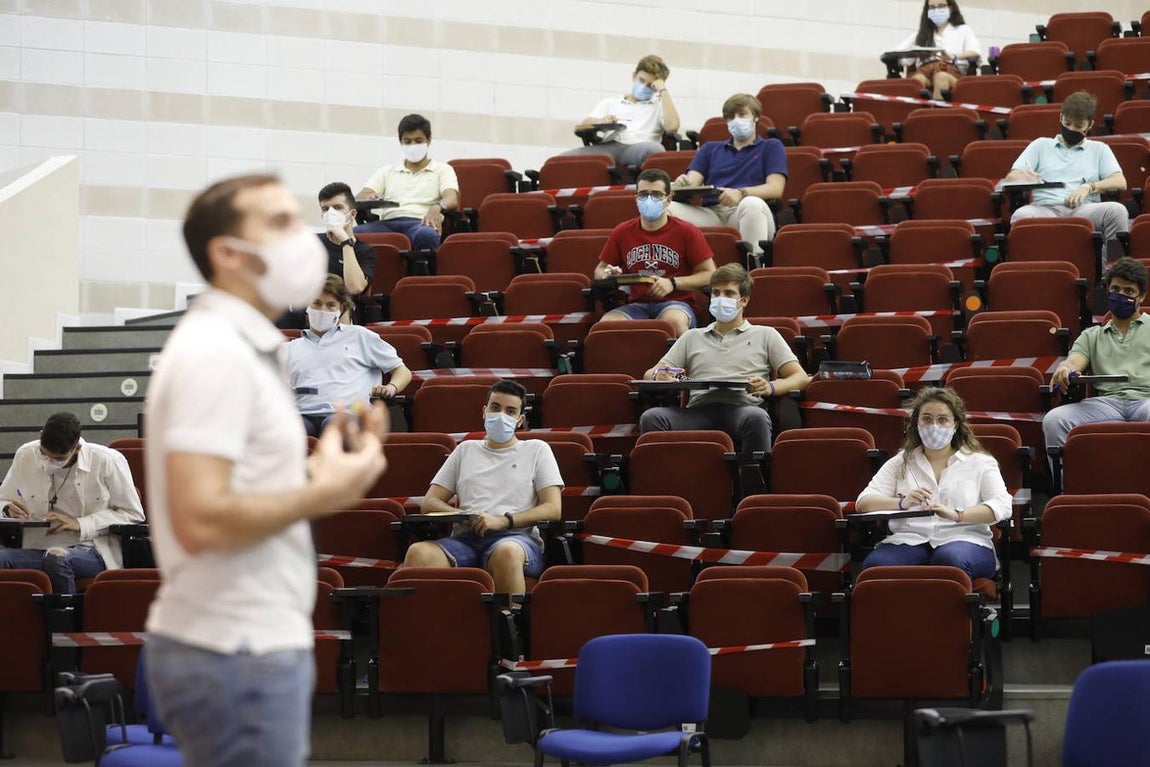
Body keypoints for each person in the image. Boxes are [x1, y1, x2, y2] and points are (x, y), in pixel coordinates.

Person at [144, 173, 388, 767]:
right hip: (234, 646)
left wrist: (324, 465)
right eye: (278, 224)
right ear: (228, 254)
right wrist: (323, 491)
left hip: (252, 639)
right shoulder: (215, 353)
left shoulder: (248, 347)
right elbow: (201, 519)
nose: (305, 236)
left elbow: (243, 489)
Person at [400, 380, 562, 594]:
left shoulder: (537, 450)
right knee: (418, 553)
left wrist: (503, 521)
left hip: (517, 539)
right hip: (465, 538)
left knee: (506, 553)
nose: (501, 415)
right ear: (484, 412)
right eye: (495, 408)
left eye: (510, 411)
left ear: (520, 420)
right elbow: (430, 502)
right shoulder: (465, 450)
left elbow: (553, 508)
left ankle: (512, 624)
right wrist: (464, 514)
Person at [639, 264, 810, 460]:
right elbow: (649, 374)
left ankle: (753, 481)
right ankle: (664, 479)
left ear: (744, 300)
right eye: (716, 293)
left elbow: (800, 377)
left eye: (729, 293)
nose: (721, 299)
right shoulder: (691, 337)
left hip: (742, 409)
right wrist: (658, 375)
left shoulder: (766, 334)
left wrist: (770, 386)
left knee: (756, 418)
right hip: (698, 410)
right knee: (652, 418)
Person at [855, 387, 1012, 580]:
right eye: (927, 419)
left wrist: (957, 515)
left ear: (955, 425)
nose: (934, 426)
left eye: (943, 419)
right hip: (910, 539)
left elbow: (1003, 505)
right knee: (875, 565)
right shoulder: (900, 461)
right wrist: (902, 503)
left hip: (966, 539)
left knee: (948, 559)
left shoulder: (980, 462)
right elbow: (864, 501)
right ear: (917, 423)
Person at [0, 412, 144, 594]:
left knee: (57, 558)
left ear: (77, 448)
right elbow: (3, 499)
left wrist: (80, 524)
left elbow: (133, 513)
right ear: (40, 434)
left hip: (91, 549)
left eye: (59, 459)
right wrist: (7, 509)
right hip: (37, 546)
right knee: (2, 558)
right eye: (45, 455)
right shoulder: (27, 454)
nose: (50, 462)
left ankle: (66, 621)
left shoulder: (107, 460)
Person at [593, 168, 716, 337]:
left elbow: (710, 274)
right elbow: (599, 270)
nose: (649, 199)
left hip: (677, 303)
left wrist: (672, 283)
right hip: (637, 304)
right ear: (636, 198)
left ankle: (680, 364)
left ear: (668, 199)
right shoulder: (622, 231)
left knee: (672, 322)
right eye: (643, 194)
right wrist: (607, 274)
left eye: (656, 194)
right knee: (608, 326)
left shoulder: (687, 231)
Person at [1044, 257, 1150, 449]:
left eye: (1129, 291)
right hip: (1106, 404)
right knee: (1054, 420)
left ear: (1141, 296)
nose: (1120, 295)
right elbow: (1073, 362)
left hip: (1146, 401)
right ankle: (1067, 479)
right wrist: (1065, 369)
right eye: (1115, 289)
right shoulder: (1091, 335)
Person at [288, 274, 412, 437]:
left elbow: (402, 371)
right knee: (287, 432)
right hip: (301, 415)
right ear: (307, 306)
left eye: (331, 305)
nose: (322, 310)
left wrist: (391, 387)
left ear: (341, 310)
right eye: (316, 303)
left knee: (334, 427)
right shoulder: (290, 348)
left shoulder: (360, 336)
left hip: (347, 415)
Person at [668, 93, 787, 254]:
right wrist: (682, 184)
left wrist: (741, 193)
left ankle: (753, 268)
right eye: (731, 117)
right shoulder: (710, 148)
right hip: (712, 213)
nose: (736, 120)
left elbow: (776, 188)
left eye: (742, 114)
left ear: (756, 117)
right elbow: (692, 182)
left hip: (747, 212)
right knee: (665, 207)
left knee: (752, 204)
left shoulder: (771, 146)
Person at [1004, 90, 1129, 243]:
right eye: (1067, 123)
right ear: (1060, 117)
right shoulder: (1040, 145)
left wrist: (1088, 187)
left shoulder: (1099, 149)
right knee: (1020, 216)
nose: (1071, 129)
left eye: (1078, 126)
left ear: (1090, 125)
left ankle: (1112, 265)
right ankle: (1027, 266)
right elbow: (1011, 177)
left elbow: (1120, 181)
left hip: (1084, 209)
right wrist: (1023, 177)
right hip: (1044, 208)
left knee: (1117, 211)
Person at [356, 113, 460, 253]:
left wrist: (437, 207)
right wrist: (369, 196)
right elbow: (362, 195)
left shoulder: (442, 169)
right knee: (354, 234)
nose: (413, 146)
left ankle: (423, 274)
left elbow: (451, 198)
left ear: (428, 140)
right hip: (388, 222)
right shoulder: (387, 171)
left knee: (427, 235)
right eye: (408, 141)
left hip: (421, 222)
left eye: (418, 141)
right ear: (401, 142)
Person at [564, 54, 680, 167]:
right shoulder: (612, 102)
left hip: (637, 147)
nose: (644, 86)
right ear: (634, 76)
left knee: (656, 149)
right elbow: (585, 123)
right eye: (641, 80)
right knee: (560, 160)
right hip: (608, 146)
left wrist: (663, 90)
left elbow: (672, 127)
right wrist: (602, 121)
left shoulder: (659, 105)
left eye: (650, 85)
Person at [895, 0, 981, 99]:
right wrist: (917, 52)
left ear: (950, 8)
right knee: (916, 81)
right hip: (925, 70)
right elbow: (898, 53)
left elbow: (975, 51)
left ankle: (935, 112)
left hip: (952, 71)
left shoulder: (963, 30)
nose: (936, 10)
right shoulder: (921, 34)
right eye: (932, 7)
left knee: (941, 77)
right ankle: (917, 113)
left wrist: (953, 56)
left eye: (941, 6)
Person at [317, 181, 375, 299]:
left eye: (338, 208)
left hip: (344, 310)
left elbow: (355, 288)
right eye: (325, 209)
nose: (331, 213)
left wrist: (345, 241)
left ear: (352, 214)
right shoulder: (312, 242)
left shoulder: (365, 251)